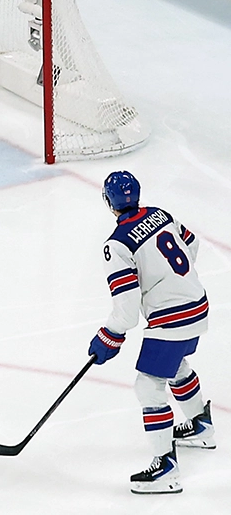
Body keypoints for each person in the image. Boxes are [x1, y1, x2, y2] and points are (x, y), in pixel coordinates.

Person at [88, 171, 213, 495]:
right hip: (197, 303)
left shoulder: (117, 244)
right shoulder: (161, 214)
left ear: (108, 202)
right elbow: (192, 243)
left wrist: (108, 336)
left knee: (148, 386)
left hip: (172, 318)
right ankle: (200, 425)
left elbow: (127, 309)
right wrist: (173, 282)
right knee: (176, 365)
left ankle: (166, 469)